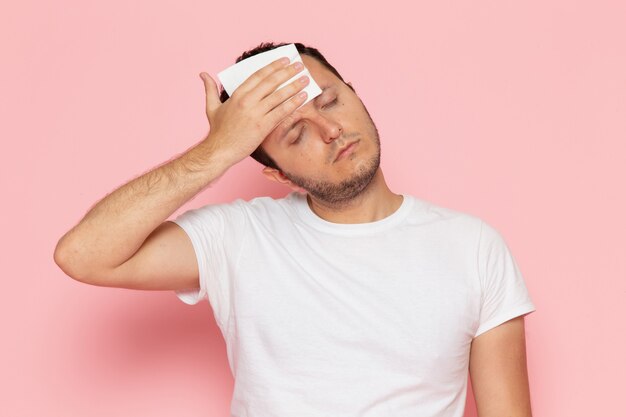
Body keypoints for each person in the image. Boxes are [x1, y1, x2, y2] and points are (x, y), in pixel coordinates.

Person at [54, 41, 536, 417]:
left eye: (329, 100)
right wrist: (217, 150)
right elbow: (84, 254)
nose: (330, 130)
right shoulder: (238, 238)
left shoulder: (473, 248)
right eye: (295, 133)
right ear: (278, 174)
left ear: (355, 92)